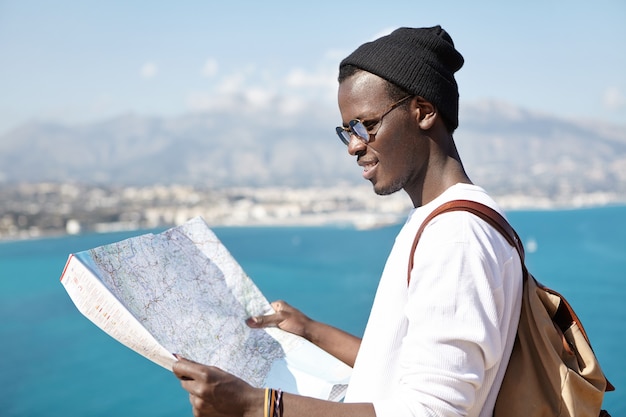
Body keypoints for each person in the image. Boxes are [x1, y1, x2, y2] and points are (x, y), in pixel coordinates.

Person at [173, 25, 523, 417]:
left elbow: (431, 411)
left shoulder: (456, 238)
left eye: (366, 125)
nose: (355, 146)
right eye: (347, 131)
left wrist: (258, 406)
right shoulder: (439, 221)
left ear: (423, 112)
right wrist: (310, 330)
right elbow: (408, 371)